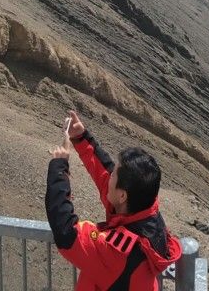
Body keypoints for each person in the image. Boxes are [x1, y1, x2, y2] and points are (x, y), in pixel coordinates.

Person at [43, 115, 187, 291]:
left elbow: (66, 232)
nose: (109, 176)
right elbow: (106, 176)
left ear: (123, 196)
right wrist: (81, 138)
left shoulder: (117, 252)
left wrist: (59, 167)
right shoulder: (145, 210)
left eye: (114, 175)